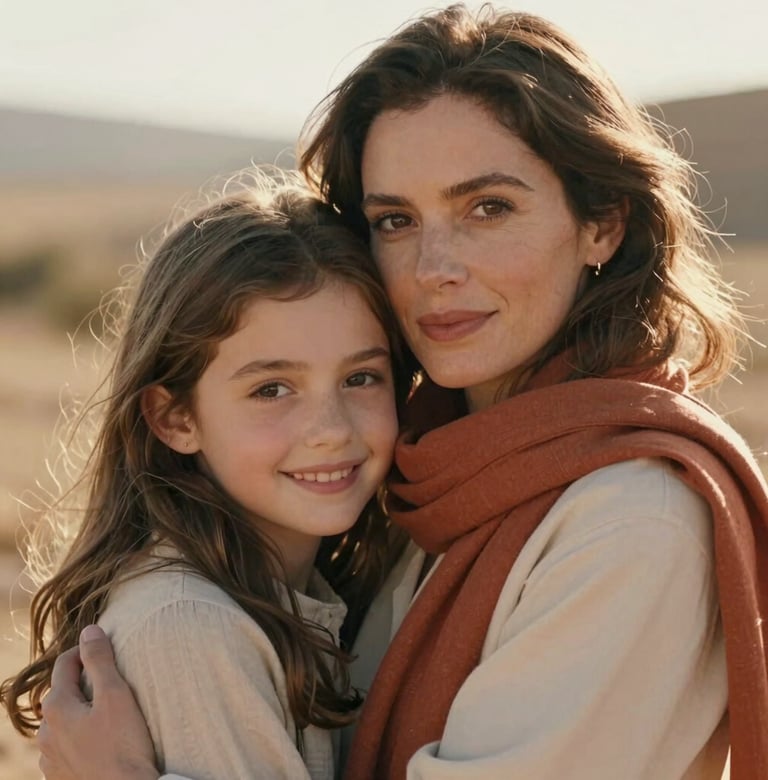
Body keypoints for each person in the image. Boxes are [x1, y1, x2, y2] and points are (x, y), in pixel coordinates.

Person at [31, 4, 768, 779]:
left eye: (488, 208)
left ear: (603, 224)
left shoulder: (629, 525)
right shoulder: (429, 474)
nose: (432, 267)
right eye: (394, 220)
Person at [1, 175, 411, 780]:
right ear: (175, 417)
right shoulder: (192, 625)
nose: (331, 429)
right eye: (272, 389)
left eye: (360, 378)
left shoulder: (287, 596)